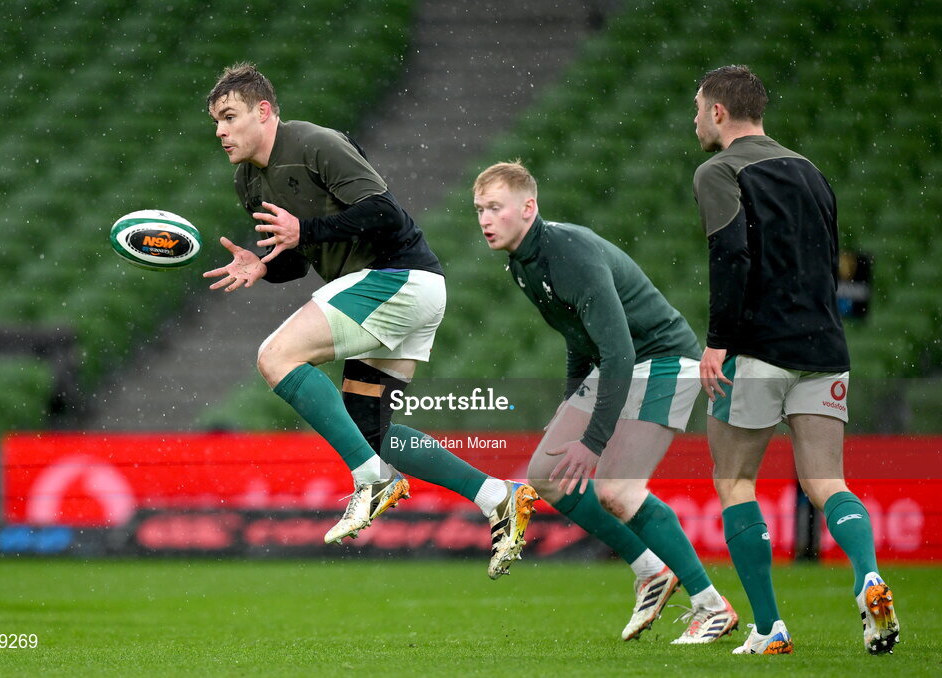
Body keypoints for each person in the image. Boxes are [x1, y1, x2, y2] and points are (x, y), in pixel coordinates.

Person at [202, 63, 538, 579]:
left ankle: (372, 481)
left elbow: (384, 212)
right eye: (215, 122)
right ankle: (497, 496)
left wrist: (306, 228)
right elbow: (295, 256)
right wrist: (262, 264)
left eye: (229, 116)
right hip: (387, 294)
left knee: (275, 356)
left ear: (264, 112)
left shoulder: (314, 143)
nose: (220, 130)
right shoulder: (248, 180)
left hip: (399, 278)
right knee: (374, 435)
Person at [472, 161, 738, 643]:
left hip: (661, 359)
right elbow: (580, 338)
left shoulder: (567, 252)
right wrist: (571, 401)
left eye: (495, 208)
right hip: (615, 362)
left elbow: (620, 351)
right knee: (545, 476)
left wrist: (592, 441)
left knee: (617, 491)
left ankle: (711, 605)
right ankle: (652, 572)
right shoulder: (521, 263)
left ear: (528, 208)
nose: (485, 220)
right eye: (479, 210)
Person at [692, 65, 900, 655]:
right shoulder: (811, 171)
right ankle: (869, 576)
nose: (695, 120)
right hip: (825, 347)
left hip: (759, 347)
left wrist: (717, 343)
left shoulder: (719, 170)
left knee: (734, 480)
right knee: (825, 480)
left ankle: (768, 628)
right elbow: (828, 260)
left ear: (717, 112)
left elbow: (730, 257)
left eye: (697, 108)